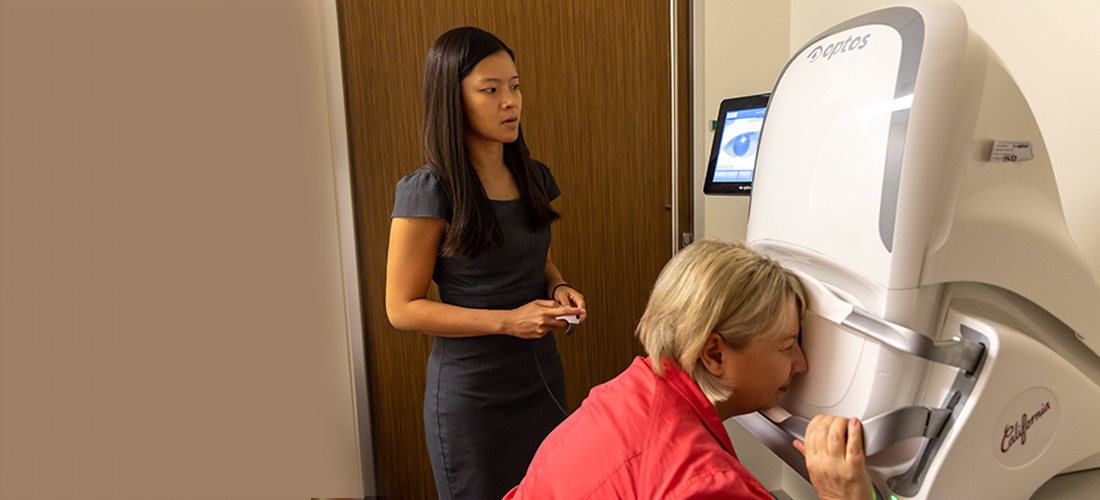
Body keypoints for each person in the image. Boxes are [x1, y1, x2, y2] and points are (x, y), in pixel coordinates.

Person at [504, 239, 874, 500]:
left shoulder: (630, 389)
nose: (801, 363)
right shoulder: (703, 483)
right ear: (714, 353)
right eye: (786, 345)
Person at [385, 27, 587, 500]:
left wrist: (557, 288)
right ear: (452, 99)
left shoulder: (533, 175)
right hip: (474, 399)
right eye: (490, 90)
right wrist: (508, 321)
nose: (510, 102)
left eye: (514, 86)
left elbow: (538, 260)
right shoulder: (428, 190)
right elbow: (402, 308)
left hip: (541, 380)